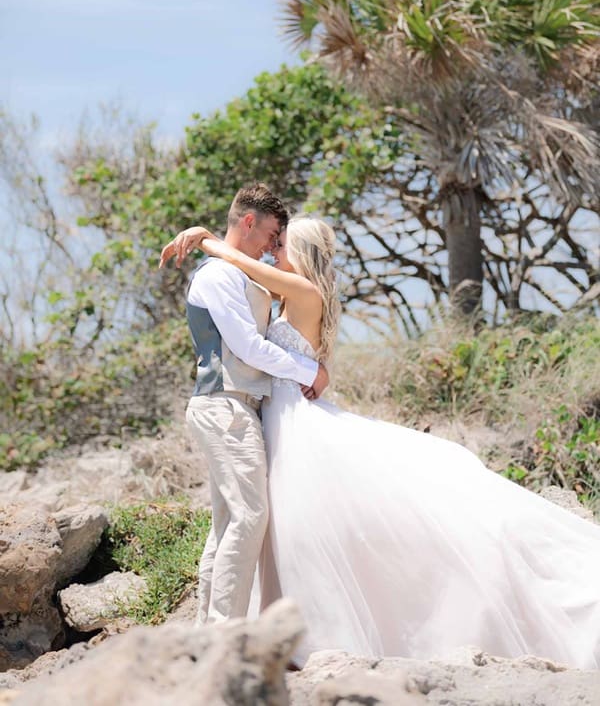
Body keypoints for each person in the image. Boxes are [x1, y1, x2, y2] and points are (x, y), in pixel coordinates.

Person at [161, 214, 600, 670]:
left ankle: (301, 632)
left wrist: (206, 239)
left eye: (282, 244)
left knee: (301, 524)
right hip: (276, 416)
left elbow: (244, 267)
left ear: (303, 254)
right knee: (287, 526)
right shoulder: (285, 294)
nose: (273, 250)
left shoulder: (304, 291)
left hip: (293, 418)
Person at [159, 185, 329, 626]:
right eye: (272, 234)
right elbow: (247, 346)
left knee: (228, 523)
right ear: (249, 222)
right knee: (251, 516)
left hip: (242, 408)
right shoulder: (217, 276)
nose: (273, 246)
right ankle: (224, 632)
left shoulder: (242, 273)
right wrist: (310, 371)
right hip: (224, 405)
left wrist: (204, 235)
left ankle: (207, 631)